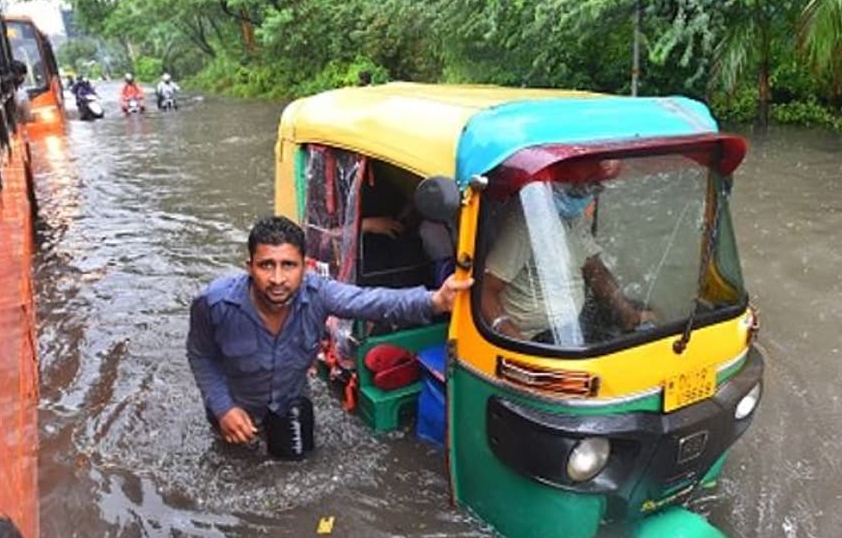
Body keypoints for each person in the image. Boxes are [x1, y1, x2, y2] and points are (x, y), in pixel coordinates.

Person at [187, 215, 470, 451]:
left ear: (304, 266)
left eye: (288, 265)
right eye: (266, 265)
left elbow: (371, 301)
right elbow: (200, 354)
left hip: (289, 400)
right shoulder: (215, 303)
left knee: (296, 469)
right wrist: (223, 408)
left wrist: (434, 301)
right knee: (235, 470)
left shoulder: (318, 293)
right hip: (235, 407)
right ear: (249, 267)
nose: (277, 279)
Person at [479, 161, 654, 343]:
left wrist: (627, 314)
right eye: (578, 188)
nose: (585, 194)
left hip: (572, 326)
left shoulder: (576, 216)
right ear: (559, 185)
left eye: (591, 187)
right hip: (535, 335)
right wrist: (515, 339)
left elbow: (592, 266)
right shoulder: (528, 222)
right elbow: (485, 289)